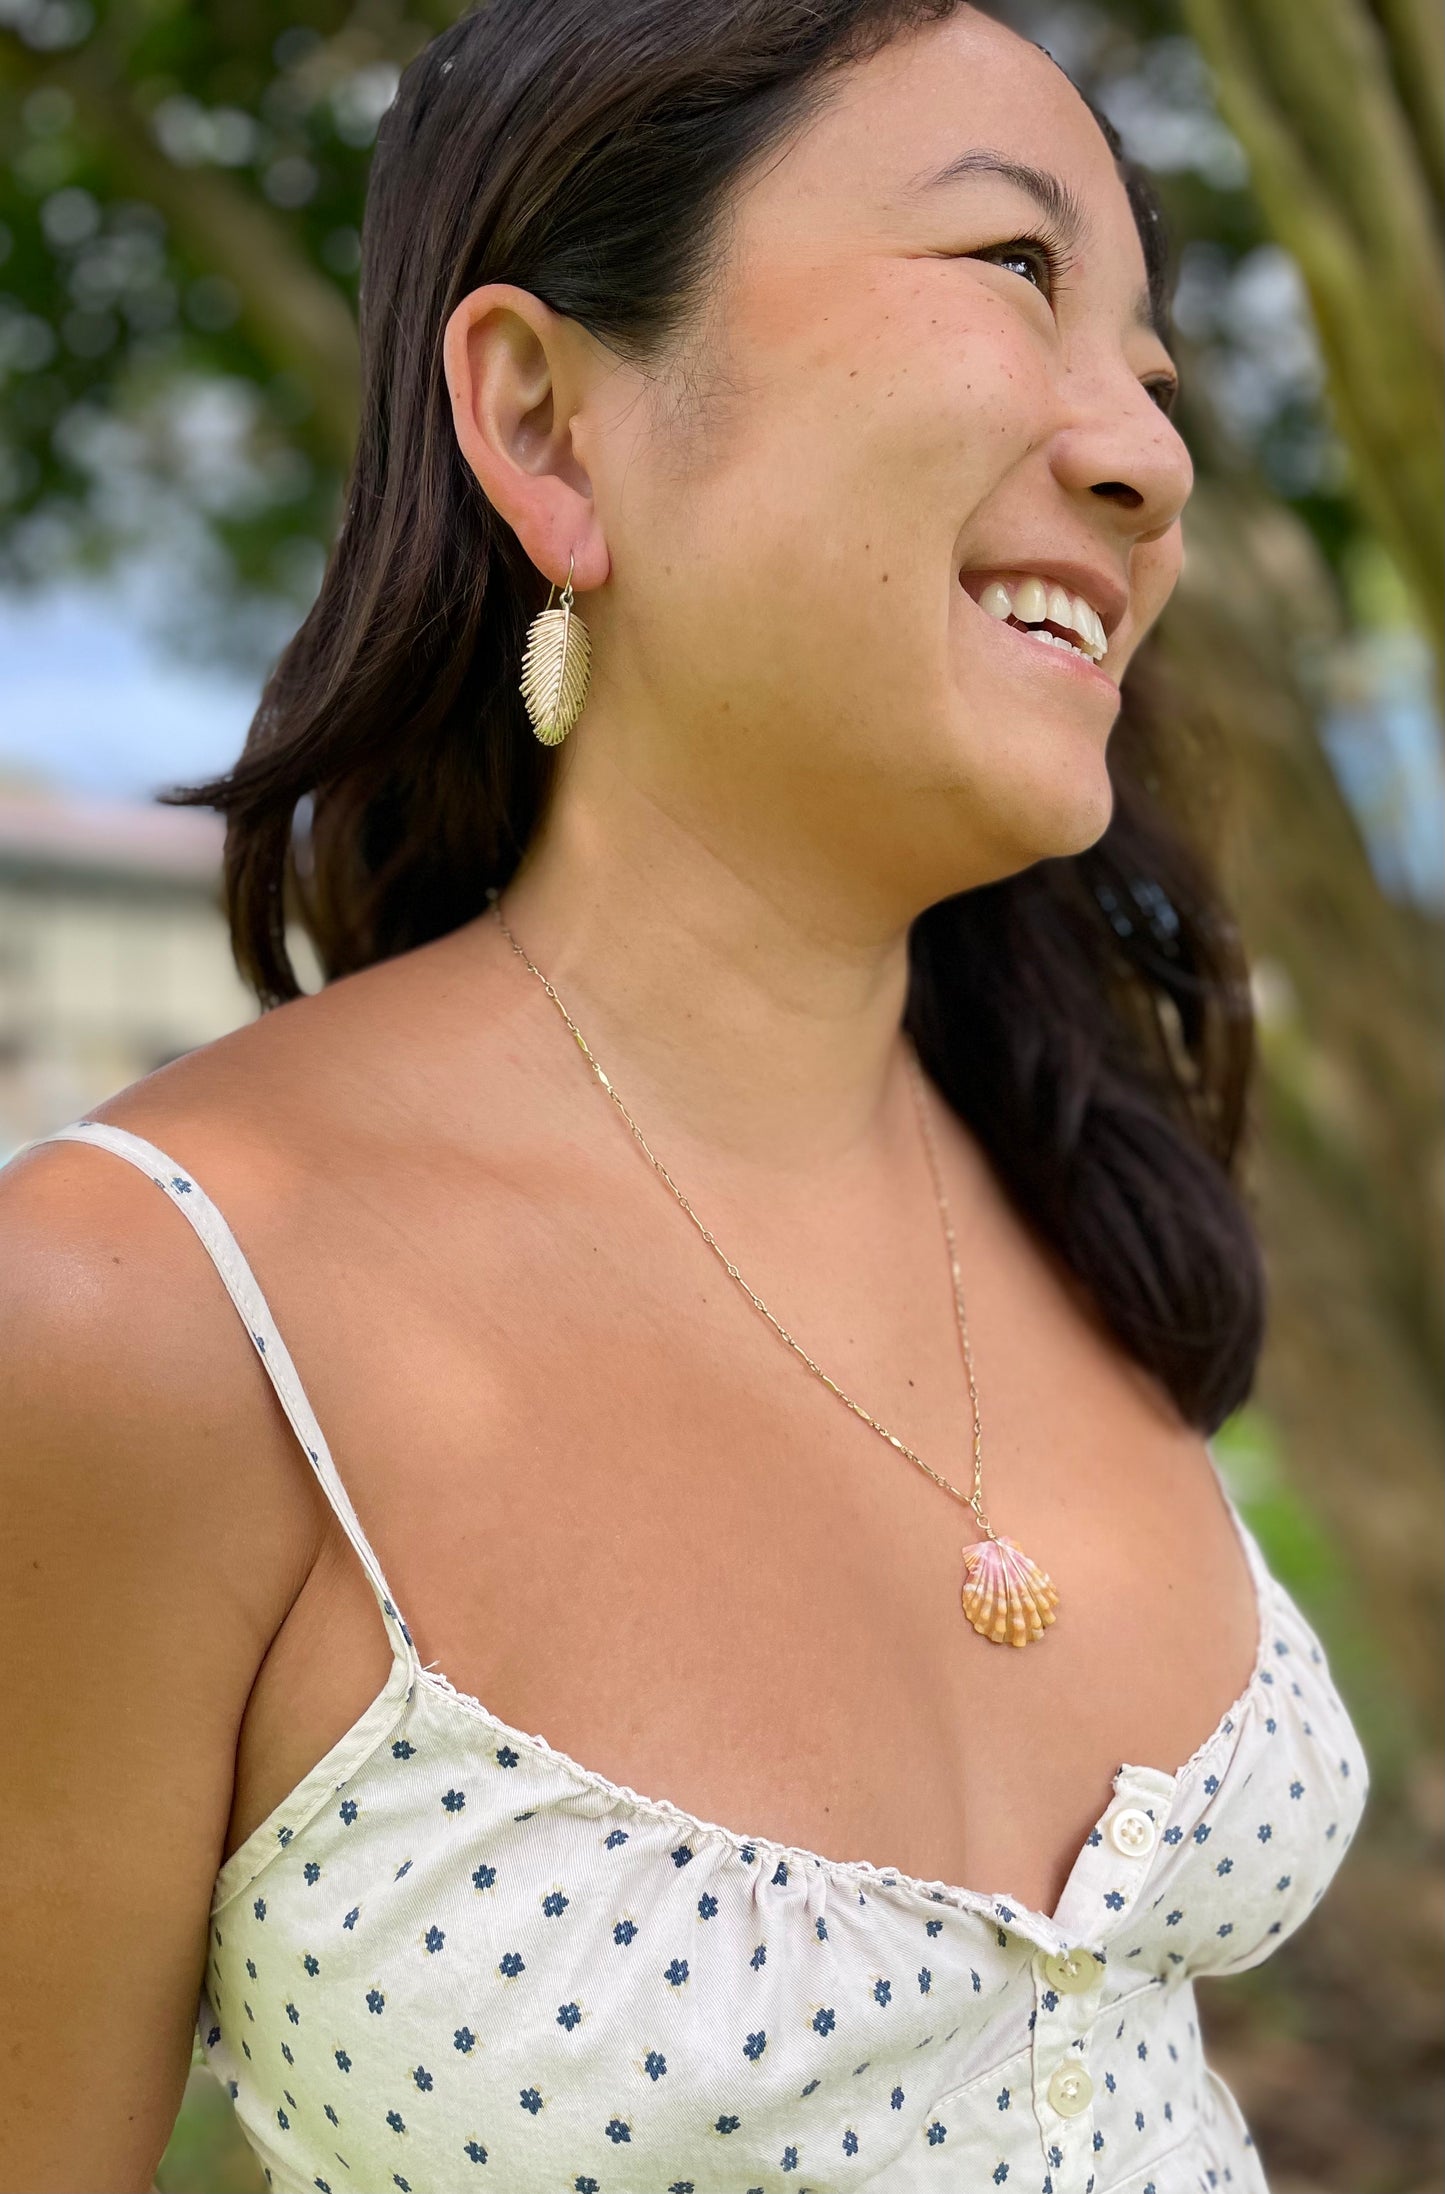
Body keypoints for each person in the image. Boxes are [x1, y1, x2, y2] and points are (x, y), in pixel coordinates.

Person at [0, 4, 1370, 2189]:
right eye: (1014, 271)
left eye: (1158, 366)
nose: (1149, 457)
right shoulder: (135, 1309)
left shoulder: (1086, 1176)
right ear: (546, 421)